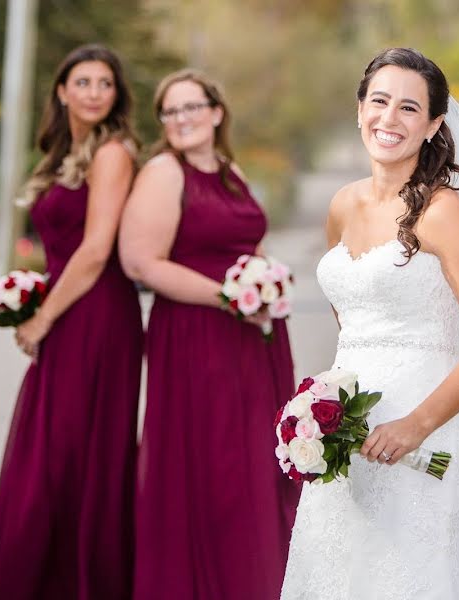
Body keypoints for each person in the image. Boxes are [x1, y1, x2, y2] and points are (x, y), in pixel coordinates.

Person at [280, 47, 459, 600]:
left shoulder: (443, 212)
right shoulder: (342, 206)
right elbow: (350, 317)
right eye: (379, 102)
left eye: (408, 108)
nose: (388, 119)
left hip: (424, 428)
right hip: (344, 432)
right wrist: (324, 408)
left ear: (433, 125)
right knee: (332, 574)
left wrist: (416, 425)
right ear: (359, 110)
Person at [118, 69, 298, 599]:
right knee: (212, 467)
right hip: (196, 335)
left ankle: (256, 578)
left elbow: (247, 244)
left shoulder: (229, 169)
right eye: (170, 112)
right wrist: (228, 297)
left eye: (192, 106)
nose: (182, 119)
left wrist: (267, 286)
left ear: (217, 112)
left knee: (252, 463)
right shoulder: (163, 173)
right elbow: (141, 262)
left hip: (252, 335)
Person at [0, 44, 143, 600]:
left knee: (72, 456)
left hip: (98, 317)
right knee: (52, 454)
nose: (94, 92)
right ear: (61, 90)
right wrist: (31, 295)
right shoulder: (60, 154)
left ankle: (84, 585)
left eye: (105, 83)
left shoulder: (113, 153)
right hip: (70, 310)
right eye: (83, 82)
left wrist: (43, 318)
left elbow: (97, 249)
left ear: (116, 94)